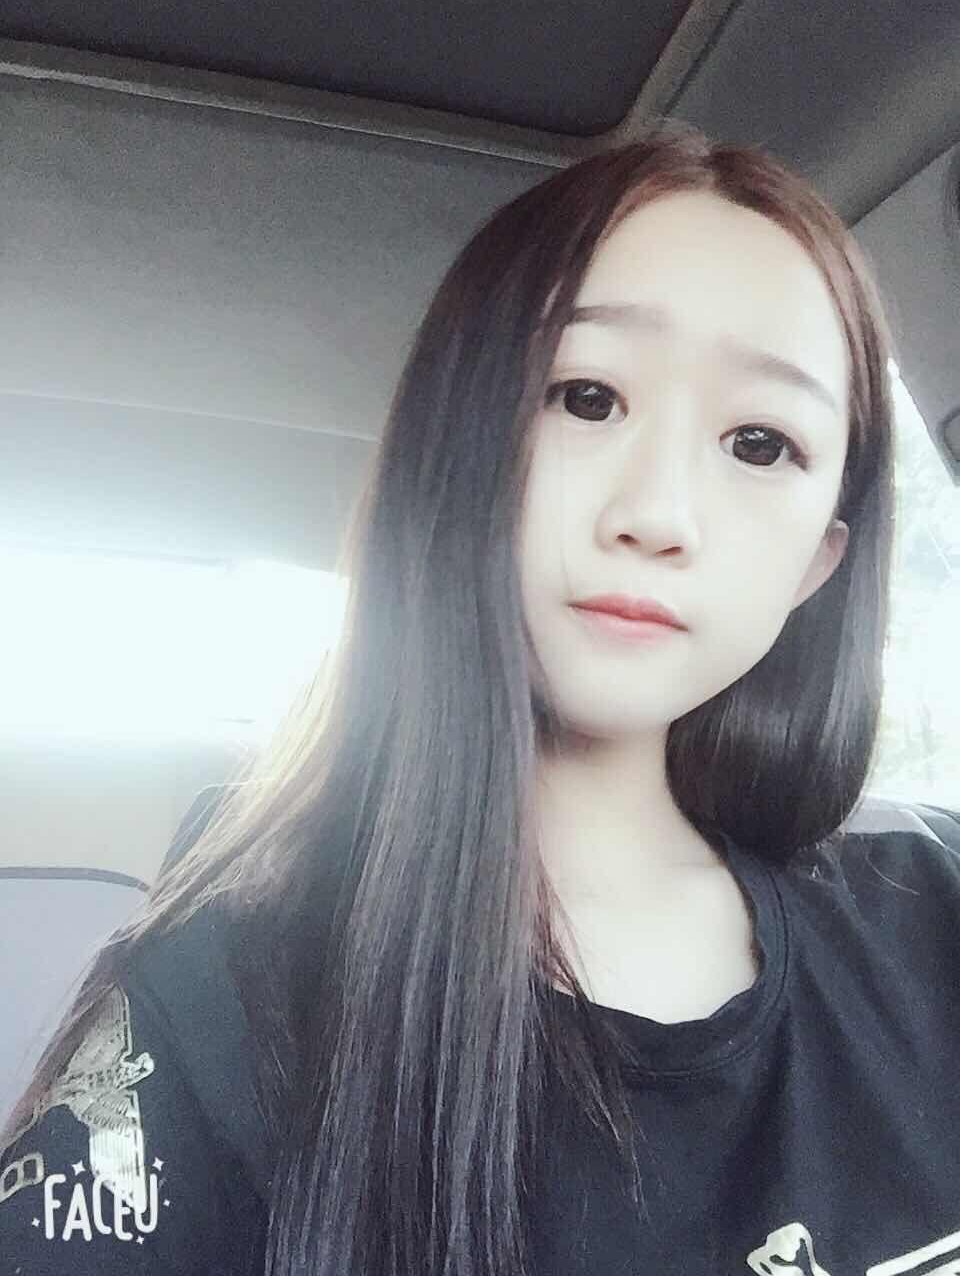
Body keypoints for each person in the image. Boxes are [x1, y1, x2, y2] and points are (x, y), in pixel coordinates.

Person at [1, 117, 958, 1276]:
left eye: (760, 442)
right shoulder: (214, 999)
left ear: (819, 562)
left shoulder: (931, 907)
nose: (658, 513)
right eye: (586, 396)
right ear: (457, 442)